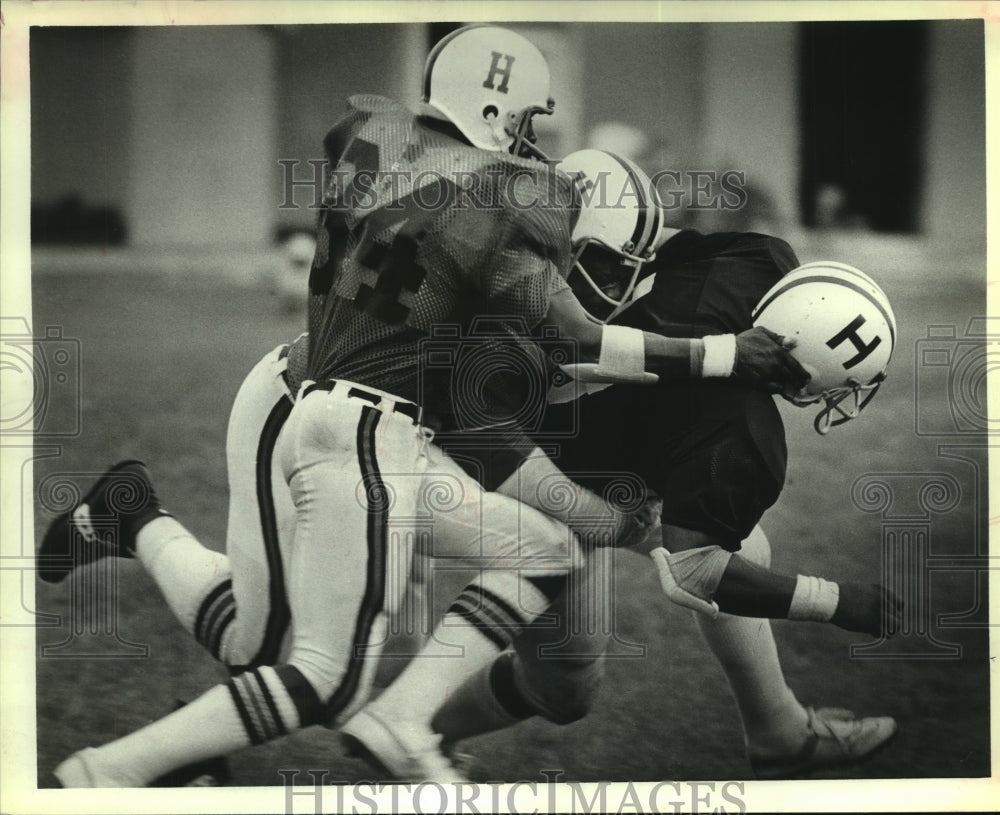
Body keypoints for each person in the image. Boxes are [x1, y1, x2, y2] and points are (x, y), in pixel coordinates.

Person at [39, 27, 807, 788]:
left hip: (354, 418)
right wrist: (723, 355)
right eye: (593, 260)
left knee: (515, 557)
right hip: (325, 413)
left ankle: (130, 515)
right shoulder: (510, 213)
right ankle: (120, 769)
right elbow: (558, 355)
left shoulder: (378, 139)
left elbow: (446, 213)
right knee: (299, 664)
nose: (529, 139)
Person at [340, 149, 903, 781]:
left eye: (625, 267)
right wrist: (620, 523)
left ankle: (776, 727)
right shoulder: (493, 314)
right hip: (438, 450)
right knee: (557, 651)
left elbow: (649, 252)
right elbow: (504, 446)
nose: (618, 287)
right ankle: (400, 722)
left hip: (551, 445)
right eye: (603, 267)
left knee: (588, 668)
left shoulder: (735, 275)